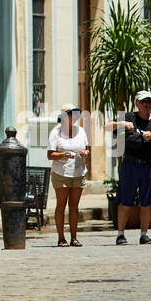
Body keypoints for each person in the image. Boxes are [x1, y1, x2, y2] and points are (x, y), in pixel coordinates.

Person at [105, 90, 151, 245]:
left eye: (149, 102)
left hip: (149, 166)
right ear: (137, 103)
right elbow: (107, 127)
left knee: (146, 202)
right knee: (125, 201)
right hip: (131, 164)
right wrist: (122, 124)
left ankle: (144, 234)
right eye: (143, 102)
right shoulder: (129, 117)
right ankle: (120, 234)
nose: (146, 105)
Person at [48, 104, 90, 247]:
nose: (74, 117)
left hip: (78, 172)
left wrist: (85, 153)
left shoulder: (82, 131)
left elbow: (87, 148)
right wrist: (63, 154)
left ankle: (74, 237)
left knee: (74, 205)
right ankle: (61, 238)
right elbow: (50, 155)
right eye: (71, 114)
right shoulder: (56, 132)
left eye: (76, 114)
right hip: (61, 173)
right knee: (61, 205)